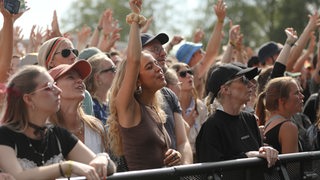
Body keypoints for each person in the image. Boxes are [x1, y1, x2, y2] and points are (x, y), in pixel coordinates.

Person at [0, 65, 115, 179]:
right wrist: (65, 167)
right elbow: (19, 177)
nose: (58, 91)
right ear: (28, 99)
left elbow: (108, 168)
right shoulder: (4, 134)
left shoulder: (58, 134)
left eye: (55, 85)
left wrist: (102, 159)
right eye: (49, 87)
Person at [107, 0, 182, 171]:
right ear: (137, 80)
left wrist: (174, 156)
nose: (158, 68)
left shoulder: (155, 109)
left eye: (156, 63)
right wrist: (135, 18)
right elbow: (133, 61)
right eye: (149, 67)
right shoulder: (129, 108)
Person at [196, 63, 278, 178]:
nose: (250, 84)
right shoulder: (211, 126)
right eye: (244, 80)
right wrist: (247, 156)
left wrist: (267, 151)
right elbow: (212, 171)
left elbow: (259, 157)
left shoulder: (250, 119)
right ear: (225, 89)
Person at [141, 34, 193, 163]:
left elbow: (183, 141)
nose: (164, 53)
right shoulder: (130, 99)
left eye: (163, 48)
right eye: (155, 49)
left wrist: (184, 170)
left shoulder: (169, 95)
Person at [48, 60, 110, 156]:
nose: (80, 80)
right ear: (54, 87)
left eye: (80, 77)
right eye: (70, 77)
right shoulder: (45, 131)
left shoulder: (96, 127)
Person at [175, 0, 226, 98]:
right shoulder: (192, 73)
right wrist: (220, 21)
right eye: (199, 51)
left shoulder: (182, 76)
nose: (203, 53)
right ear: (191, 58)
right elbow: (212, 53)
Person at [37, 36, 94, 116]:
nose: (73, 56)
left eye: (75, 52)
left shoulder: (84, 95)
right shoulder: (38, 97)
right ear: (51, 62)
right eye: (66, 53)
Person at [170, 62, 207, 162]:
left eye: (190, 72)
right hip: (180, 160)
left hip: (201, 160)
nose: (189, 75)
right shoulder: (170, 107)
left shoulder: (201, 106)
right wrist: (185, 125)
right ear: (174, 80)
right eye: (183, 74)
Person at [256, 77, 304, 154]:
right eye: (296, 93)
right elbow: (292, 164)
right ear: (281, 100)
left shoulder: (270, 122)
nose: (302, 96)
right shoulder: (288, 127)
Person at [85, 53, 117, 124]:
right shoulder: (90, 106)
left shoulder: (116, 101)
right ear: (97, 77)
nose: (116, 72)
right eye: (112, 69)